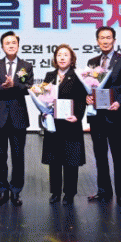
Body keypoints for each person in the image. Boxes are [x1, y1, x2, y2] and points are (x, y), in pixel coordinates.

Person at [86, 26, 121, 207]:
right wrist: (88, 97)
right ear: (97, 41)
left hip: (115, 115)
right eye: (102, 38)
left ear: (114, 40)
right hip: (97, 116)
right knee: (100, 156)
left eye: (108, 37)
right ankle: (103, 191)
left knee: (118, 156)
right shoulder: (92, 62)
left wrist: (120, 102)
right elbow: (90, 86)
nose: (105, 41)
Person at [0, 31, 34, 207]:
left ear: (18, 45)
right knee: (0, 156)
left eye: (14, 43)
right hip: (0, 117)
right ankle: (2, 190)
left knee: (18, 156)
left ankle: (16, 191)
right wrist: (4, 87)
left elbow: (29, 87)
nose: (11, 45)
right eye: (7, 43)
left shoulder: (26, 66)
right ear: (2, 46)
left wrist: (15, 85)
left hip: (18, 116)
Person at [42, 44, 88, 205]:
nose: (62, 57)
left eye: (65, 55)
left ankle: (69, 193)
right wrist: (44, 111)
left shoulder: (77, 76)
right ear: (55, 58)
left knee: (71, 161)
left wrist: (78, 116)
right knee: (54, 160)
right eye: (59, 55)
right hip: (53, 124)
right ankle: (55, 192)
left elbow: (82, 100)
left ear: (71, 58)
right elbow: (44, 98)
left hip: (71, 123)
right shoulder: (49, 75)